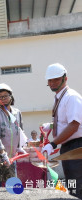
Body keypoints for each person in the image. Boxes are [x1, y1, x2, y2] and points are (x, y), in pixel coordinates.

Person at [41, 63, 82, 199]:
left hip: (77, 146)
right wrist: (52, 126)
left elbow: (74, 125)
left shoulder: (71, 97)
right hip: (69, 146)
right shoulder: (61, 97)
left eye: (56, 79)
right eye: (50, 80)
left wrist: (52, 144)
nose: (52, 83)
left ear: (65, 78)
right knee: (72, 184)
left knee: (77, 186)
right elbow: (65, 122)